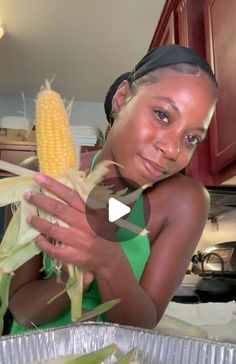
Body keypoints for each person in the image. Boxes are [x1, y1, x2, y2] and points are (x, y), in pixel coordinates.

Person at [8, 44, 218, 334]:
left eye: (192, 138)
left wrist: (107, 261)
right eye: (162, 115)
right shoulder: (40, 173)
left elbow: (144, 323)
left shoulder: (185, 202)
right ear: (122, 99)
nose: (172, 149)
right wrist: (71, 277)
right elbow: (21, 310)